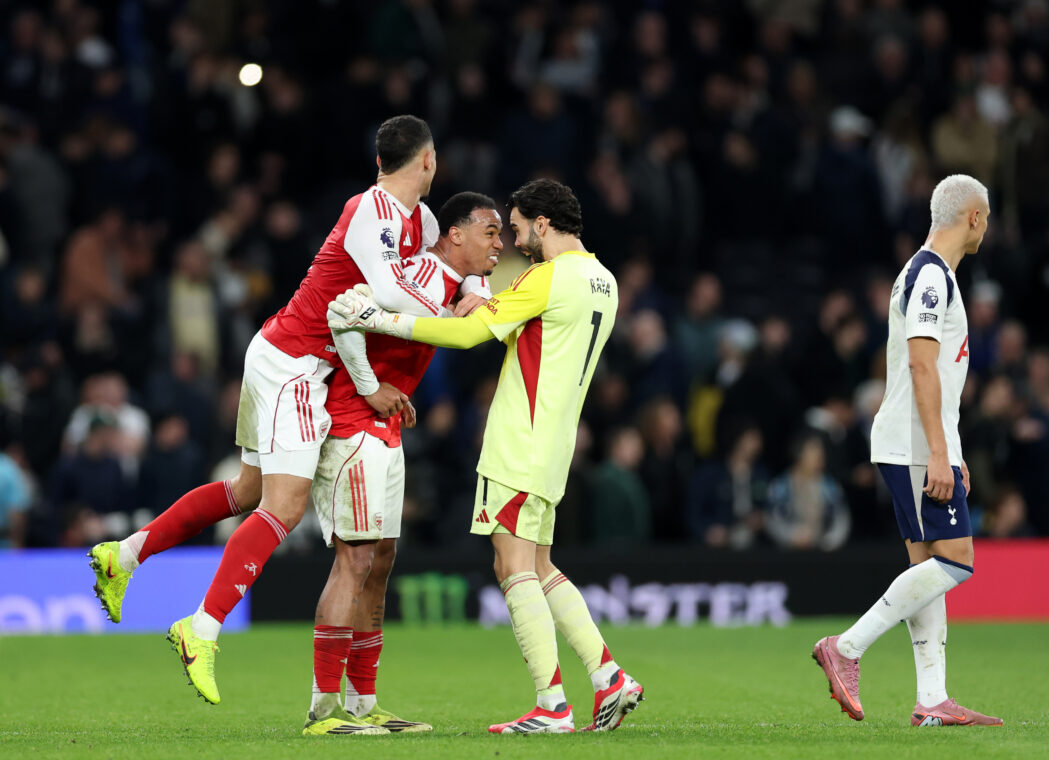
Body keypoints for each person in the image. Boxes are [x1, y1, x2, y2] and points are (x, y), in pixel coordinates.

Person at [86, 115, 475, 720]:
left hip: (285, 354)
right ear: (427, 161)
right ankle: (203, 630)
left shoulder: (420, 222)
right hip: (295, 362)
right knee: (284, 506)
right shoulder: (367, 213)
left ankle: (124, 555)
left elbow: (432, 278)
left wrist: (466, 291)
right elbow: (394, 297)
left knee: (245, 492)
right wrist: (460, 319)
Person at [329, 178, 643, 734]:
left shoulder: (547, 277)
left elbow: (470, 335)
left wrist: (380, 321)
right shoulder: (604, 280)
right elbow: (524, 328)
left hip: (519, 441)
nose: (515, 239)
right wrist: (489, 303)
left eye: (518, 226)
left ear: (543, 224)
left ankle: (552, 705)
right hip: (556, 442)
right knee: (541, 565)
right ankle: (607, 675)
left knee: (512, 566)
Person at [305, 191, 501, 734]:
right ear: (455, 234)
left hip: (386, 428)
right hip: (350, 425)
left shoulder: (455, 282)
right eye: (489, 232)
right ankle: (322, 709)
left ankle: (365, 704)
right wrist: (369, 389)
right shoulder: (410, 275)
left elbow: (468, 289)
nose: (499, 243)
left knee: (382, 560)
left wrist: (476, 288)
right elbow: (342, 312)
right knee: (355, 561)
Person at [812, 174, 1003, 727]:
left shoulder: (922, 273)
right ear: (973, 218)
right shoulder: (930, 276)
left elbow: (932, 370)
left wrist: (953, 448)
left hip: (915, 440)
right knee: (955, 559)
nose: (985, 227)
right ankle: (845, 648)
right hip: (915, 444)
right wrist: (939, 453)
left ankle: (932, 699)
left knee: (927, 567)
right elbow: (921, 364)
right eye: (985, 218)